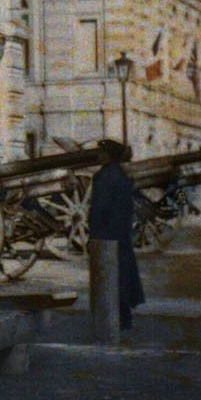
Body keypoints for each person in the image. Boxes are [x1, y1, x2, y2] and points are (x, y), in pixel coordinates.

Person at [87, 138, 146, 335]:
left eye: (101, 152)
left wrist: (93, 235)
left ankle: (112, 320)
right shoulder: (120, 175)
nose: (98, 155)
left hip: (106, 234)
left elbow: (99, 209)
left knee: (108, 278)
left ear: (108, 155)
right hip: (121, 233)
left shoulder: (102, 177)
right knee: (122, 275)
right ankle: (124, 318)